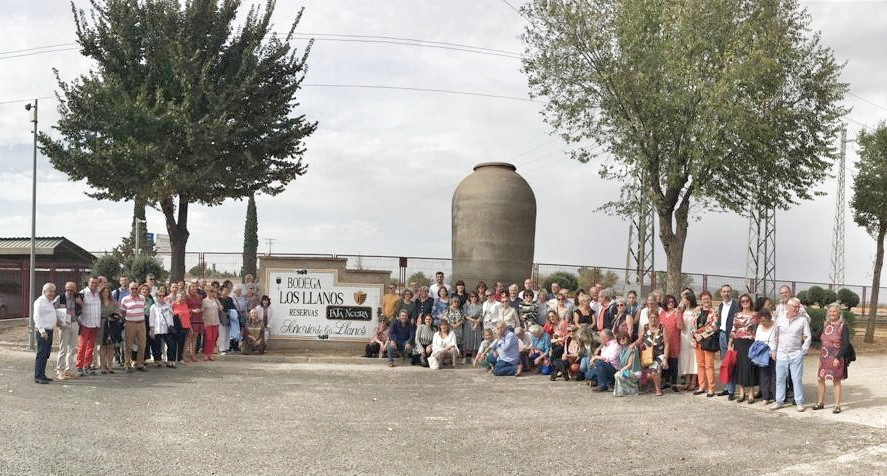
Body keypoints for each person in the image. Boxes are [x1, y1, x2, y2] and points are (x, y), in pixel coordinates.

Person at [772, 298, 812, 411]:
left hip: (795, 354)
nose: (797, 309)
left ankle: (799, 402)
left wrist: (802, 351)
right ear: (788, 307)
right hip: (781, 354)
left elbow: (808, 337)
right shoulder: (780, 319)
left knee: (797, 379)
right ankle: (779, 401)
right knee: (780, 378)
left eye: (798, 307)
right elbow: (775, 336)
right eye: (795, 307)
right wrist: (773, 350)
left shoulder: (802, 320)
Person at [813, 303, 850, 413]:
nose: (832, 313)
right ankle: (820, 402)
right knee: (820, 379)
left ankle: (837, 406)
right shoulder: (825, 324)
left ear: (839, 313)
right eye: (830, 311)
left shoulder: (843, 326)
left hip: (836, 358)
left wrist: (838, 358)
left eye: (834, 311)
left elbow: (845, 344)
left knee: (836, 381)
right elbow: (816, 337)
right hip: (824, 358)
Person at [728, 293, 759, 403]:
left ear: (750, 302)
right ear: (740, 303)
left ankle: (751, 393)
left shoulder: (755, 315)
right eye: (743, 301)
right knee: (740, 367)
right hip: (739, 343)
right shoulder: (737, 315)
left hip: (751, 343)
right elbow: (733, 330)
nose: (745, 303)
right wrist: (730, 344)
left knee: (750, 367)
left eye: (747, 301)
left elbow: (758, 331)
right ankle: (741, 393)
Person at [692, 291, 720, 397]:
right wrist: (695, 335)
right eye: (704, 298)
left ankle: (711, 388)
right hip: (697, 340)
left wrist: (702, 335)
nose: (706, 300)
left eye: (707, 298)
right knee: (700, 364)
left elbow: (714, 326)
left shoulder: (714, 311)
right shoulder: (697, 311)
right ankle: (701, 386)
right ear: (701, 300)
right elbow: (692, 325)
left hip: (708, 340)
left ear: (710, 299)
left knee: (709, 365)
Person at [635, 310, 669, 396]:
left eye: (655, 317)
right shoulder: (645, 327)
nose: (653, 319)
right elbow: (640, 339)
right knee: (649, 376)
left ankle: (658, 389)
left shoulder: (662, 328)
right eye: (651, 317)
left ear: (658, 318)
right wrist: (633, 344)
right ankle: (656, 383)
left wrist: (665, 358)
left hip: (659, 355)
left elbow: (667, 344)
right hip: (647, 355)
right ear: (649, 318)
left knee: (654, 371)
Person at [55, 282, 82, 380]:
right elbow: (53, 308)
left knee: (72, 349)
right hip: (64, 325)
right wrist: (56, 320)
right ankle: (60, 371)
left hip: (74, 323)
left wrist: (80, 303)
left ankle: (69, 370)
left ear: (75, 290)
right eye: (68, 290)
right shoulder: (60, 298)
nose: (70, 292)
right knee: (63, 349)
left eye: (72, 290)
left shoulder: (78, 298)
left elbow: (85, 309)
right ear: (65, 289)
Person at [716, 285, 739, 398]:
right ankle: (726, 387)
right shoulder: (721, 305)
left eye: (728, 291)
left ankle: (731, 390)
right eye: (724, 291)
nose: (726, 293)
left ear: (731, 293)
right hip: (722, 334)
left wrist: (733, 338)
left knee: (731, 363)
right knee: (724, 362)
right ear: (721, 293)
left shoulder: (735, 305)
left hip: (731, 337)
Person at [33, 283, 59, 384]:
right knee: (42, 354)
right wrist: (42, 331)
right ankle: (38, 376)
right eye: (50, 291)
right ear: (44, 291)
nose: (52, 293)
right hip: (43, 331)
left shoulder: (49, 301)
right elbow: (37, 317)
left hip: (49, 331)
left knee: (46, 354)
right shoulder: (40, 302)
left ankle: (42, 374)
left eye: (53, 291)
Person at [75, 277, 101, 376]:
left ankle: (87, 366)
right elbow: (75, 304)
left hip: (95, 324)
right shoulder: (82, 293)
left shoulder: (99, 294)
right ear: (88, 283)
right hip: (85, 323)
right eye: (92, 282)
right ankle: (79, 367)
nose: (94, 284)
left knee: (90, 347)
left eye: (95, 283)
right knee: (82, 346)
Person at [120, 283, 149, 372]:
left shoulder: (142, 298)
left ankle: (139, 364)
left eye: (136, 288)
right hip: (130, 323)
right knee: (128, 345)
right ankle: (127, 364)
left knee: (142, 344)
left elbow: (143, 310)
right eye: (132, 288)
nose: (134, 290)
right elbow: (123, 312)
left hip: (141, 323)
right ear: (129, 289)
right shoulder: (125, 299)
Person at [659, 294, 683, 391]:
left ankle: (674, 384)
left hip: (674, 340)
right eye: (668, 302)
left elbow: (680, 326)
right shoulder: (662, 313)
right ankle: (666, 382)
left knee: (673, 362)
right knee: (665, 360)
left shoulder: (677, 312)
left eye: (672, 302)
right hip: (663, 340)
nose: (670, 303)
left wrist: (678, 315)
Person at [755, 308, 778, 405]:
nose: (762, 322)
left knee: (775, 376)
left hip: (774, 354)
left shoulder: (776, 326)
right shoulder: (760, 327)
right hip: (762, 354)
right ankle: (766, 397)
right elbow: (756, 340)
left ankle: (777, 397)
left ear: (769, 318)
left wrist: (774, 351)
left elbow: (778, 339)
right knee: (764, 376)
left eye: (764, 320)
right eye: (761, 321)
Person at [97, 286, 121, 374]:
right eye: (104, 292)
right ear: (101, 293)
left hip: (112, 325)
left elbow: (118, 312)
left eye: (107, 292)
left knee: (111, 347)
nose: (105, 294)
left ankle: (110, 366)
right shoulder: (98, 302)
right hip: (102, 325)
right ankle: (103, 367)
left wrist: (114, 316)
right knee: (103, 346)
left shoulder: (114, 302)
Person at [677, 292, 698, 391]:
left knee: (693, 358)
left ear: (689, 300)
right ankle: (687, 380)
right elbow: (680, 325)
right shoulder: (682, 310)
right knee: (685, 358)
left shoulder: (696, 310)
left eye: (684, 299)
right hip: (684, 336)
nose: (682, 300)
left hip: (693, 336)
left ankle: (693, 381)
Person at [613, 331, 641, 397]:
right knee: (617, 374)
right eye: (619, 339)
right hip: (627, 371)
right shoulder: (622, 350)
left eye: (623, 338)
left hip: (634, 372)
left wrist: (620, 371)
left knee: (618, 375)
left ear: (627, 338)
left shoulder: (632, 348)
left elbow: (630, 365)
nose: (621, 340)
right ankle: (623, 391)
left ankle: (633, 390)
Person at [201, 287, 222, 361]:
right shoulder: (204, 300)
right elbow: (202, 311)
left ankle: (211, 353)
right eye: (211, 291)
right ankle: (206, 353)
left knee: (213, 338)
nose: (212, 292)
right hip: (208, 321)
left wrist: (217, 300)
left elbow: (221, 308)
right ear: (207, 292)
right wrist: (204, 321)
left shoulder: (215, 300)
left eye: (213, 291)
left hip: (215, 321)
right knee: (208, 338)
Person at [171, 292, 192, 364]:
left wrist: (190, 327)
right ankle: (172, 359)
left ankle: (180, 359)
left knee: (181, 343)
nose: (183, 298)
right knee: (174, 343)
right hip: (177, 325)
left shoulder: (185, 305)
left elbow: (188, 317)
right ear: (177, 298)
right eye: (181, 297)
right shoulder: (173, 305)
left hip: (185, 326)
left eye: (184, 297)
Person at [462, 292, 484, 361]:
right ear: (470, 298)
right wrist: (472, 320)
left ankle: (473, 357)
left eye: (475, 297)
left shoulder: (480, 305)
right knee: (467, 339)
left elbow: (481, 315)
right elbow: (464, 315)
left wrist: (476, 323)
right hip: (468, 323)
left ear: (477, 297)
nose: (473, 298)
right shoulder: (466, 305)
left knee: (475, 340)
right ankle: (464, 357)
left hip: (477, 324)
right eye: (472, 297)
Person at [185, 283, 204, 361]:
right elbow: (184, 308)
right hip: (190, 318)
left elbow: (201, 306)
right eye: (192, 287)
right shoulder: (187, 297)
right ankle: (185, 355)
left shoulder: (199, 297)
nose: (194, 289)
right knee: (189, 337)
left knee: (195, 337)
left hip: (198, 318)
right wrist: (192, 310)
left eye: (195, 287)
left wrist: (201, 309)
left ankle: (193, 354)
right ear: (189, 288)